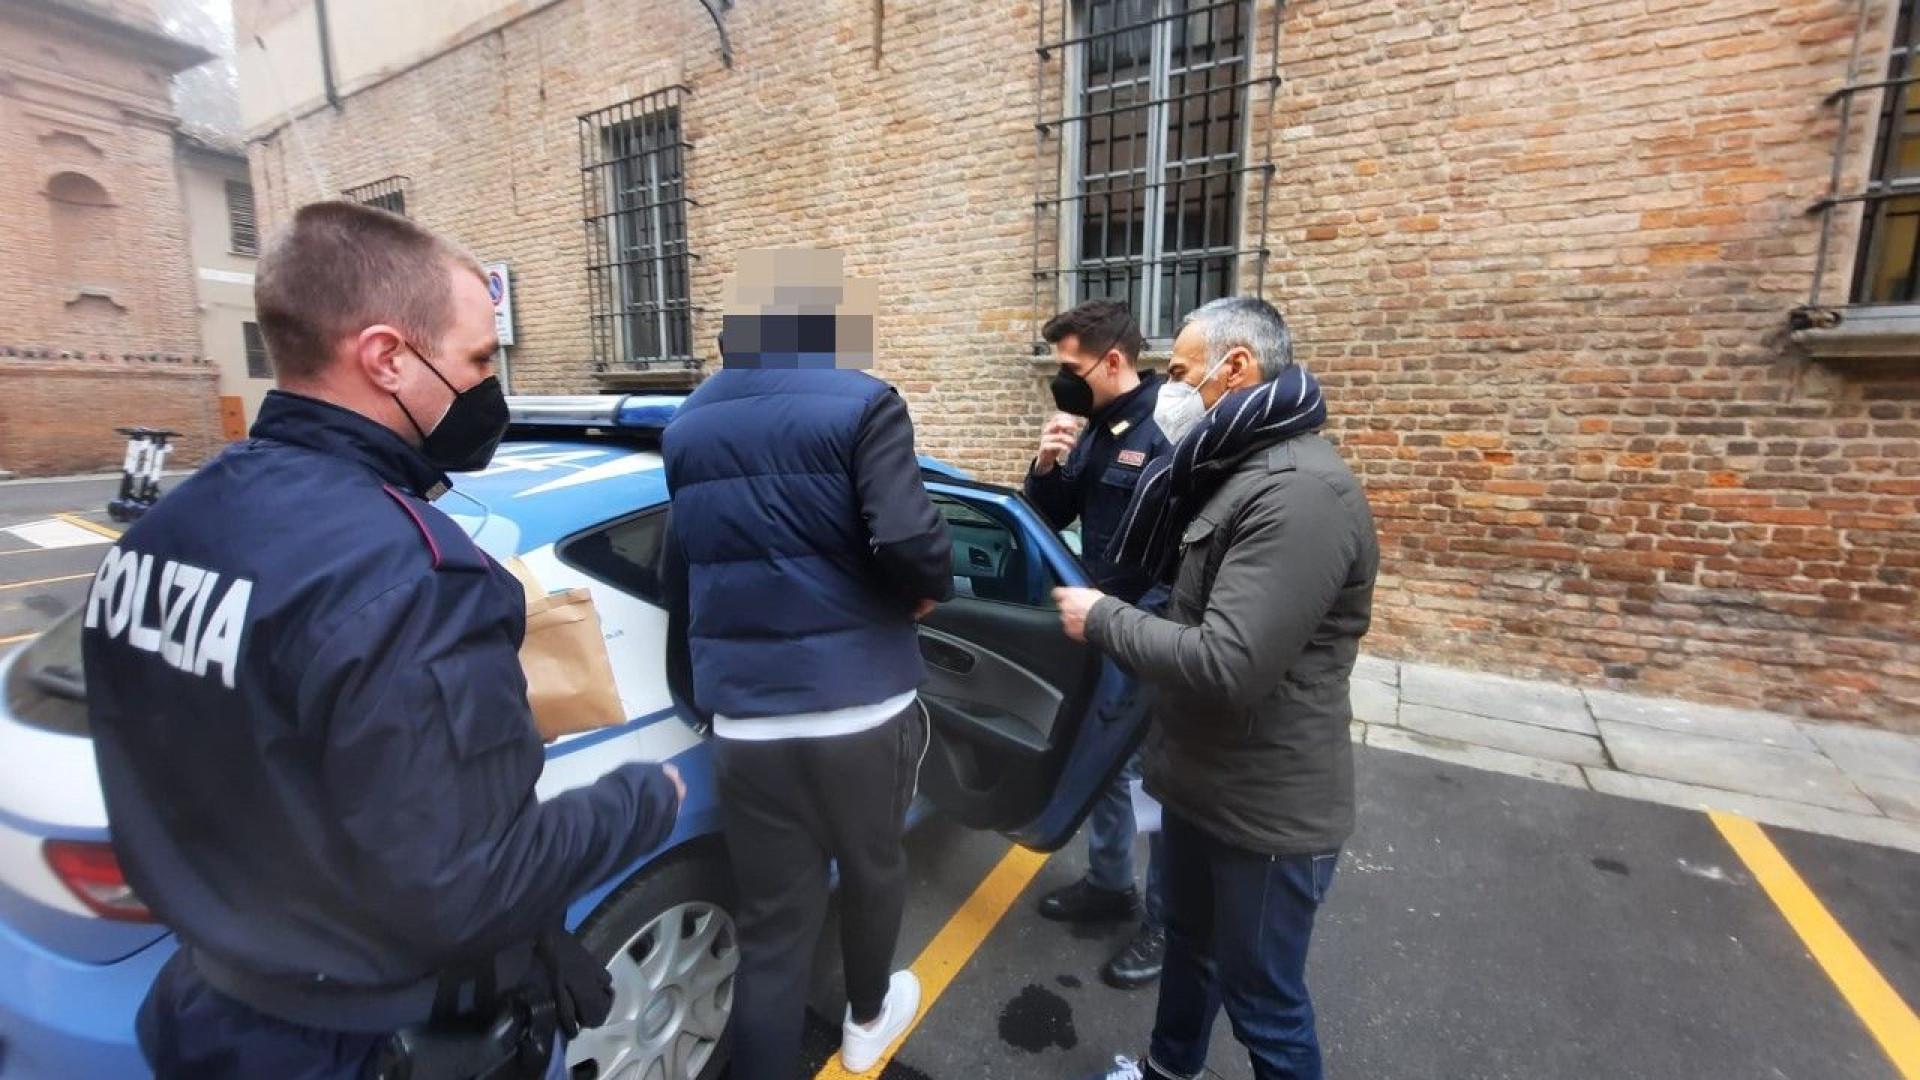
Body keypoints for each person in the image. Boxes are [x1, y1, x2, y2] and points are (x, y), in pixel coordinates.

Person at [83, 201, 685, 1080]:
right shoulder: (413, 579)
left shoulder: (161, 534)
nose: (490, 387)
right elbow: (466, 886)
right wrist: (642, 799)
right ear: (386, 357)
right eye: (478, 360)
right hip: (366, 1042)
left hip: (208, 1015)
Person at [1054, 297, 1379, 1080]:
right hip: (1204, 784)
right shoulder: (1232, 471)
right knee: (1191, 950)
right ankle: (1168, 1070)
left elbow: (1230, 663)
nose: (1171, 389)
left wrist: (1103, 618)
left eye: (1180, 371)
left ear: (1236, 368)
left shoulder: (1299, 492)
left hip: (1264, 811)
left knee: (1263, 1002)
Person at [661, 248, 953, 1078]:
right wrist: (927, 590)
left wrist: (703, 691)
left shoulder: (685, 426)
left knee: (772, 923)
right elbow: (907, 535)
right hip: (861, 707)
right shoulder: (863, 402)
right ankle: (866, 1023)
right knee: (872, 869)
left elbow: (681, 569)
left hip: (747, 719)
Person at [1024, 298, 1175, 987]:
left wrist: (1134, 630)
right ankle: (1112, 885)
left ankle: (1169, 923)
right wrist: (1047, 465)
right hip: (1099, 629)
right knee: (1109, 769)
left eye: (1070, 367)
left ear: (1112, 361)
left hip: (1146, 634)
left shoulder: (1168, 430)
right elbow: (1051, 515)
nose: (1063, 381)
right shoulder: (1095, 428)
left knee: (1158, 787)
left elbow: (1182, 558)